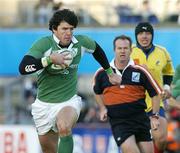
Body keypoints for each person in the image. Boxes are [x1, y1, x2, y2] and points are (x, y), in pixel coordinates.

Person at [19, 9, 120, 153]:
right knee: (49, 149)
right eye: (64, 29)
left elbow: (97, 50)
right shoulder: (44, 44)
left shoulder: (81, 43)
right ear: (54, 29)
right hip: (43, 106)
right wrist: (49, 60)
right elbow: (23, 68)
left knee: (64, 126)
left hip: (68, 101)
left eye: (71, 29)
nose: (69, 33)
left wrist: (110, 73)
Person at [93, 35, 162, 153]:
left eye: (125, 48)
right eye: (119, 48)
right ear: (114, 50)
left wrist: (155, 116)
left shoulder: (140, 70)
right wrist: (102, 108)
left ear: (131, 50)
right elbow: (97, 92)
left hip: (141, 119)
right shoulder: (101, 73)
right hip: (119, 122)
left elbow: (156, 93)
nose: (122, 51)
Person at [131, 22, 175, 153]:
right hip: (134, 103)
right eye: (140, 33)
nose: (144, 36)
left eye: (148, 33)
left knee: (161, 138)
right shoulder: (128, 51)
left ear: (152, 35)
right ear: (136, 36)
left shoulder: (162, 52)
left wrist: (166, 87)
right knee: (136, 143)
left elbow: (168, 72)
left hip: (156, 102)